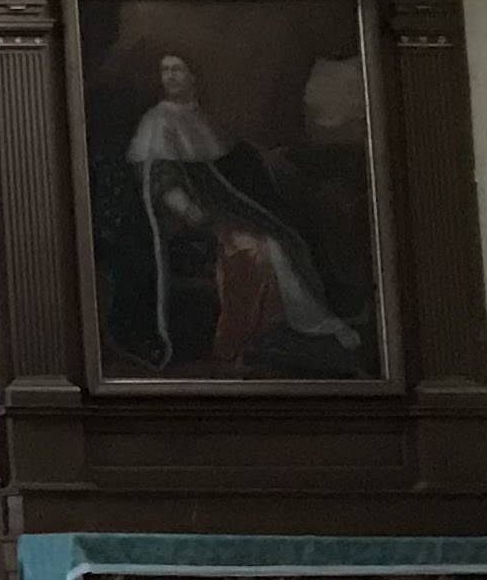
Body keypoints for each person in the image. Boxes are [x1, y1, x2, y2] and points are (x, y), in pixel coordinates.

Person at [118, 49, 362, 371]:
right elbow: (160, 180)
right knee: (259, 250)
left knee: (287, 239)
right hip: (184, 221)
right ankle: (243, 336)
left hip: (222, 211)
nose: (171, 76)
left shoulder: (200, 117)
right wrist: (189, 210)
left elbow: (228, 169)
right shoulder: (156, 121)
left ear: (194, 77)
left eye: (178, 69)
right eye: (165, 70)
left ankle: (289, 324)